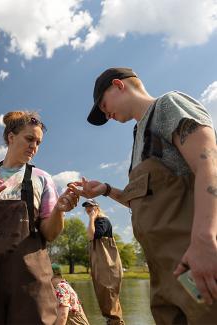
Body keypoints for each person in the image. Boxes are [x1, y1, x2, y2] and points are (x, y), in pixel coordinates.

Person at [69, 67, 217, 324]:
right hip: (164, 280)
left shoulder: (168, 105)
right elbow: (142, 202)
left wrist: (205, 240)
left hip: (197, 265)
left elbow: (210, 164)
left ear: (118, 85)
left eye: (103, 105)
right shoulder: (139, 137)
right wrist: (104, 190)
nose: (106, 114)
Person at [0, 111, 79, 325]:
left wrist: (59, 211)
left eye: (39, 142)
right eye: (29, 139)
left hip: (30, 277)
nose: (34, 146)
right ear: (11, 137)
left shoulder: (43, 178)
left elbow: (49, 233)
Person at [82, 199, 124, 325]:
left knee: (109, 297)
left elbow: (91, 236)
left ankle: (115, 322)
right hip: (101, 266)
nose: (88, 209)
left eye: (91, 206)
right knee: (107, 298)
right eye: (86, 207)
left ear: (97, 207)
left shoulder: (102, 221)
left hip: (107, 267)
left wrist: (92, 218)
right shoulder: (96, 222)